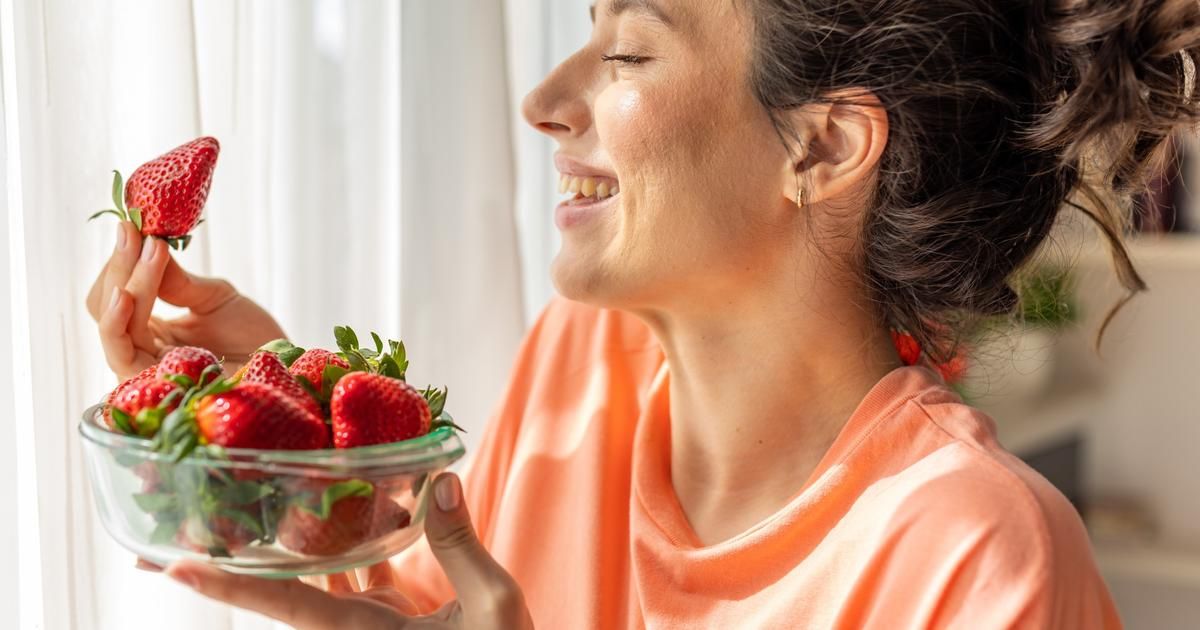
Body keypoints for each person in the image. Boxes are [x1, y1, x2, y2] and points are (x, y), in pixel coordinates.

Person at [88, 0, 1200, 628]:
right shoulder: (583, 363)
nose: (543, 102)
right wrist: (299, 421)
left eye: (625, 51)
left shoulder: (977, 557)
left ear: (823, 146)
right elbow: (425, 606)